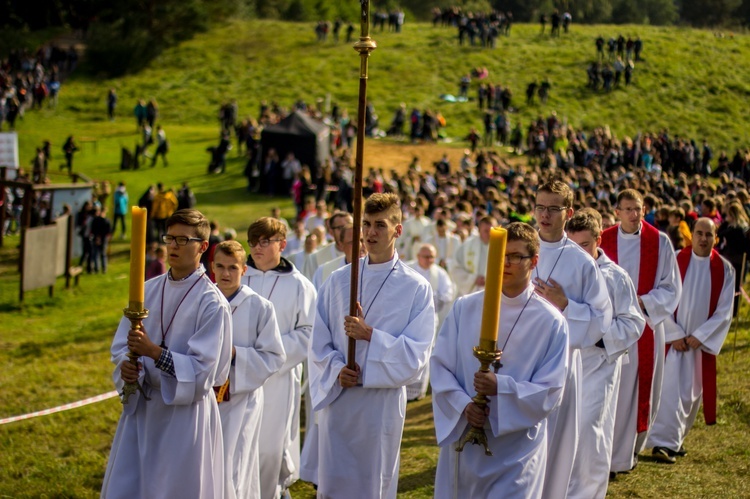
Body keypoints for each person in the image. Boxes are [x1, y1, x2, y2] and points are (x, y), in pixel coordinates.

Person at [308, 192, 435, 498]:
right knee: (334, 486)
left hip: (380, 407)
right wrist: (338, 370)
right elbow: (318, 342)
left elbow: (417, 355)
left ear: (398, 230)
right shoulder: (338, 281)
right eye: (366, 224)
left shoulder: (416, 288)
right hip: (340, 400)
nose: (370, 233)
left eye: (380, 225)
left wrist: (370, 336)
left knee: (372, 485)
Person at [431, 222, 568, 498]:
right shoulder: (465, 307)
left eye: (515, 256)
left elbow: (551, 390)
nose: (505, 263)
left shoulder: (551, 321)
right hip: (466, 438)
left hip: (516, 449)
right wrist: (463, 405)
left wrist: (501, 388)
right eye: (501, 255)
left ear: (534, 261)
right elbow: (440, 365)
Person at [101, 209, 232, 498]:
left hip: (184, 415)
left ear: (203, 247)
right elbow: (121, 346)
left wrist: (155, 353)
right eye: (170, 238)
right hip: (144, 409)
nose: (173, 245)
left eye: (183, 239)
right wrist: (127, 365)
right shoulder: (146, 290)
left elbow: (203, 372)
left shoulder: (212, 303)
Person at [532, 181, 612, 498]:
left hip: (561, 363)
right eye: (540, 207)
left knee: (556, 442)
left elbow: (600, 318)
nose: (545, 215)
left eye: (553, 208)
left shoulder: (581, 262)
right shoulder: (522, 250)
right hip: (520, 360)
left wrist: (565, 304)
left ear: (569, 212)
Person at [600, 188, 682, 474]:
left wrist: (640, 303)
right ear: (617, 212)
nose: (635, 215)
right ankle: (606, 455)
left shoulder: (659, 242)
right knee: (613, 389)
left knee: (639, 391)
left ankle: (628, 452)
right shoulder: (603, 239)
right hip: (612, 327)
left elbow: (671, 287)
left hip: (646, 325)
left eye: (638, 209)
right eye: (628, 209)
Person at [565, 209, 645, 498]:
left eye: (585, 246)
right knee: (565, 433)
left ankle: (588, 493)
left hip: (600, 364)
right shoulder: (564, 272)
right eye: (573, 246)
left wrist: (601, 339)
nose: (580, 254)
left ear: (599, 239)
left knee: (590, 432)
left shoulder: (615, 276)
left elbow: (634, 321)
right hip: (566, 365)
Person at [646, 218, 734, 463]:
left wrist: (700, 336)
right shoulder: (674, 260)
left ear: (715, 237)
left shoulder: (724, 269)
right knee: (670, 391)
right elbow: (661, 297)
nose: (703, 238)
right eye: (699, 233)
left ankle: (676, 439)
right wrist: (673, 334)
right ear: (691, 235)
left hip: (698, 344)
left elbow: (725, 311)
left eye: (709, 234)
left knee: (691, 394)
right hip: (675, 343)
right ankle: (663, 443)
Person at [242, 217, 316, 499]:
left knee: (270, 446)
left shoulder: (300, 286)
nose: (256, 248)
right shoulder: (237, 276)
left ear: (282, 245)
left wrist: (268, 355)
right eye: (252, 241)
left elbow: (308, 333)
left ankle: (270, 492)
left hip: (278, 377)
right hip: (237, 375)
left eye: (265, 241)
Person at [212, 240, 286, 499]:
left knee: (235, 465)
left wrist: (235, 355)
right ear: (211, 267)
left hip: (241, 401)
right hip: (204, 399)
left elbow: (274, 356)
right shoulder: (202, 301)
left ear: (244, 270)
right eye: (220, 266)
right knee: (206, 465)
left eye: (233, 267)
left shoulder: (260, 307)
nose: (226, 273)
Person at [405, 243, 455, 401]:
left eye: (432, 257)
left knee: (425, 349)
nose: (429, 260)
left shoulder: (439, 273)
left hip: (429, 317)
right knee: (408, 349)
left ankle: (419, 390)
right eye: (426, 257)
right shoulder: (408, 269)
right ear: (418, 256)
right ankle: (404, 385)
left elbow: (448, 292)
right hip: (409, 318)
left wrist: (436, 298)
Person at [452, 215, 497, 296]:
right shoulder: (467, 246)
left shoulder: (500, 248)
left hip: (492, 291)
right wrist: (473, 279)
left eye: (492, 231)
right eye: (486, 231)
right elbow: (455, 267)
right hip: (471, 290)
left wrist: (490, 280)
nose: (489, 234)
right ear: (479, 230)